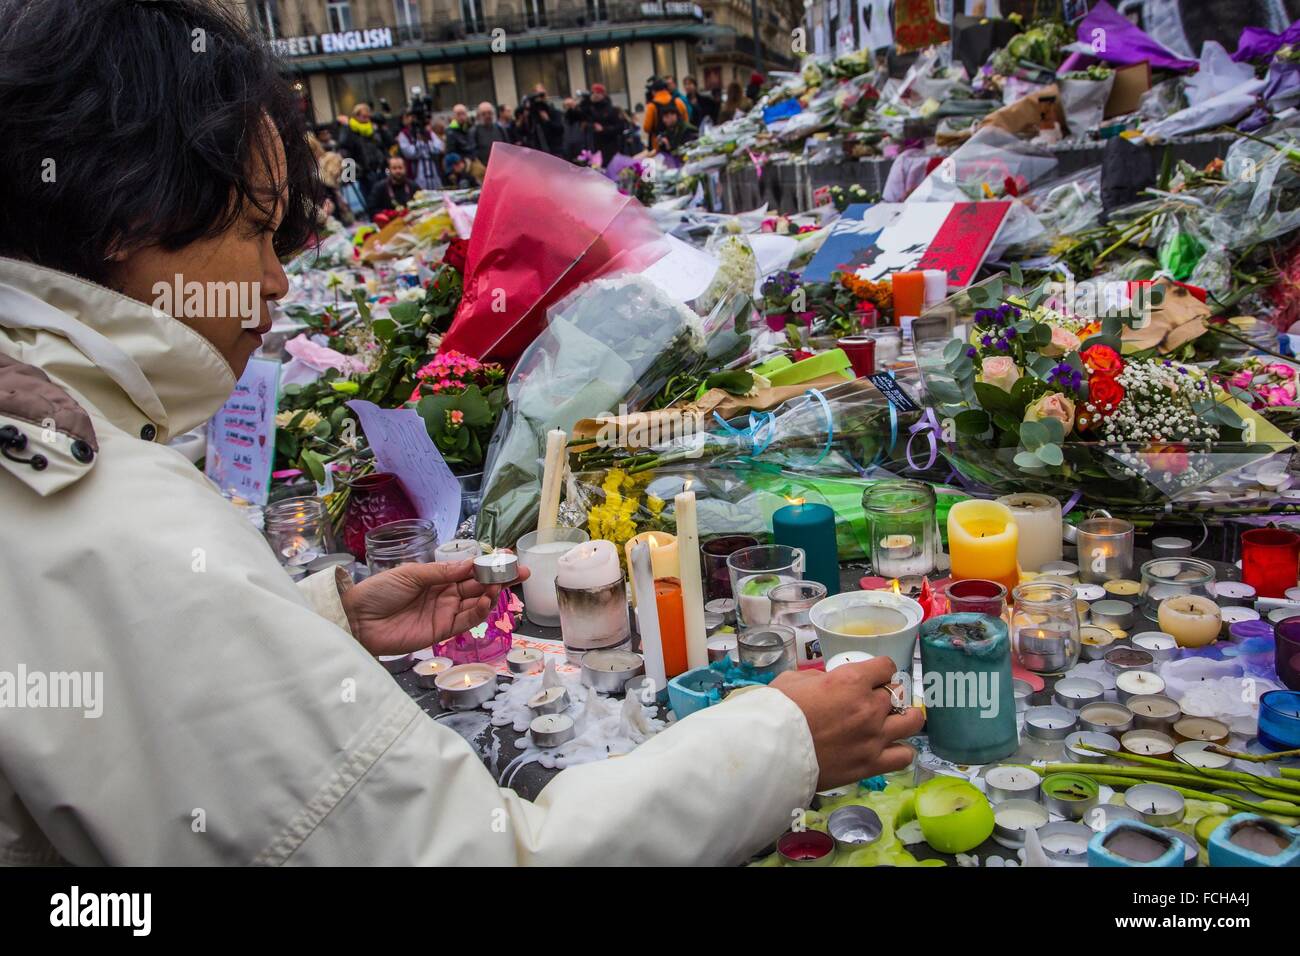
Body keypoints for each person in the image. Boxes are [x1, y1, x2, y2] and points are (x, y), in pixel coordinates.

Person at [0, 0, 923, 866]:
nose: (276, 284)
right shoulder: (110, 518)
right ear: (130, 211)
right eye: (254, 231)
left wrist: (314, 624)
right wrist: (784, 739)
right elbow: (464, 851)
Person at [337, 102, 388, 196]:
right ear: (356, 116)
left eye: (368, 117)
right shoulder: (348, 130)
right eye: (364, 116)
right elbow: (345, 152)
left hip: (379, 170)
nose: (367, 120)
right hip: (364, 174)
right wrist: (350, 177)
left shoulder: (372, 129)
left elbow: (382, 147)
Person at [581, 83, 625, 167]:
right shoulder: (589, 108)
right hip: (593, 147)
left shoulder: (612, 109)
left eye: (597, 93)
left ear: (603, 94)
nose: (594, 95)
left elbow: (620, 127)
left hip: (608, 148)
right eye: (593, 93)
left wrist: (604, 129)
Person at [397, 112, 441, 191]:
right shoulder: (404, 134)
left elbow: (437, 148)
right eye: (409, 117)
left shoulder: (429, 133)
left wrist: (427, 141)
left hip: (433, 170)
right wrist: (419, 142)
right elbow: (410, 153)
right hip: (416, 172)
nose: (412, 120)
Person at [516, 84, 562, 155]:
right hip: (536, 151)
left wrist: (547, 120)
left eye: (542, 95)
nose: (540, 98)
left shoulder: (553, 111)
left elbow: (560, 130)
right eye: (537, 94)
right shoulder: (530, 112)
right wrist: (525, 117)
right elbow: (523, 131)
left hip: (553, 151)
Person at [470, 101, 508, 169]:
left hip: (501, 167)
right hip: (483, 169)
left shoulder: (500, 129)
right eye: (484, 114)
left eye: (489, 113)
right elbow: (472, 152)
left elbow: (507, 147)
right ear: (479, 116)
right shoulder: (474, 131)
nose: (487, 116)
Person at [561, 95, 592, 162]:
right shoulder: (562, 118)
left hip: (580, 148)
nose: (570, 107)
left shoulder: (582, 116)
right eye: (567, 105)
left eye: (571, 105)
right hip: (567, 150)